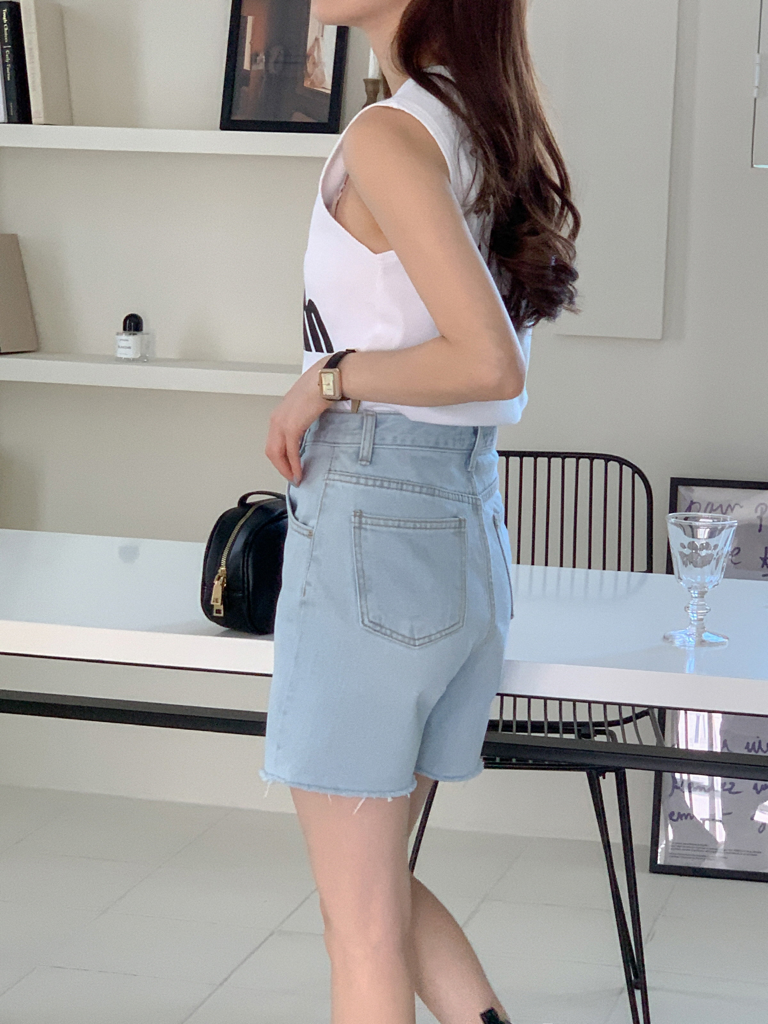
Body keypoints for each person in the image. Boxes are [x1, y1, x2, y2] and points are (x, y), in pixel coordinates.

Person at [262, 1, 580, 1021]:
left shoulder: (389, 136)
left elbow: (489, 365)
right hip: (455, 521)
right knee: (379, 894)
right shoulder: (478, 125)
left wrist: (328, 379)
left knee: (359, 929)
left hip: (373, 517)